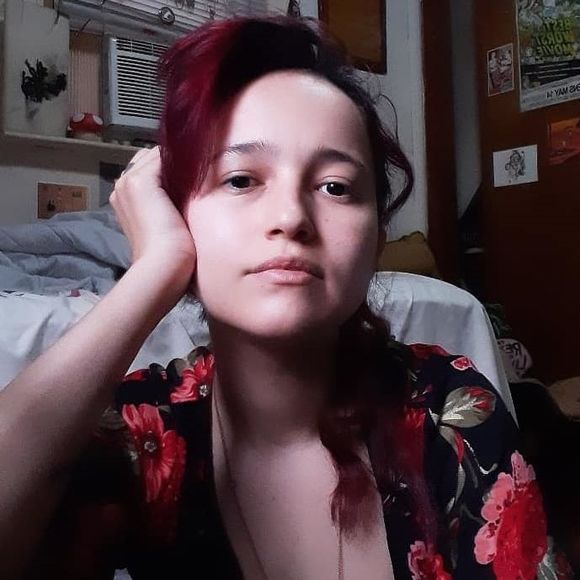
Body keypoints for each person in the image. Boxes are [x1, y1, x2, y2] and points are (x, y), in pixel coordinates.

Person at [0, 16, 564, 580]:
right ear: (177, 218)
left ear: (376, 243)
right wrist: (153, 270)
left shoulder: (449, 408)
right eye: (241, 180)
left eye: (335, 187)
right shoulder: (147, 427)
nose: (292, 217)